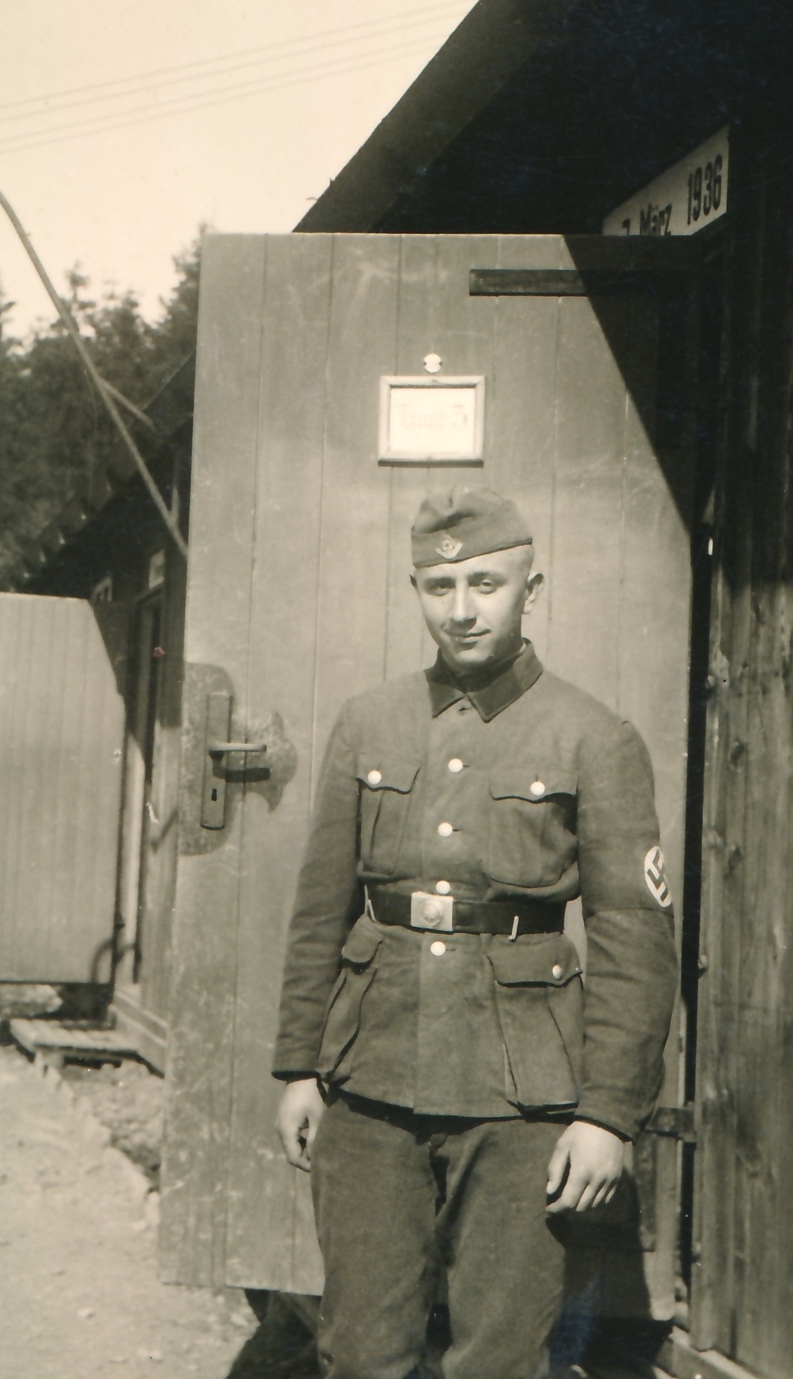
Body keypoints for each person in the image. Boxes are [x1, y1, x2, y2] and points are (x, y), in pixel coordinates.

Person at [272, 487, 678, 1379]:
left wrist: (608, 1114)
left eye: (486, 584)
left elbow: (633, 948)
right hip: (369, 1079)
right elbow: (319, 912)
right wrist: (300, 1063)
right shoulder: (367, 722)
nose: (461, 610)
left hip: (523, 1095)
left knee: (498, 1358)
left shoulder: (592, 736)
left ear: (533, 589)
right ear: (416, 591)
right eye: (438, 586)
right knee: (359, 1351)